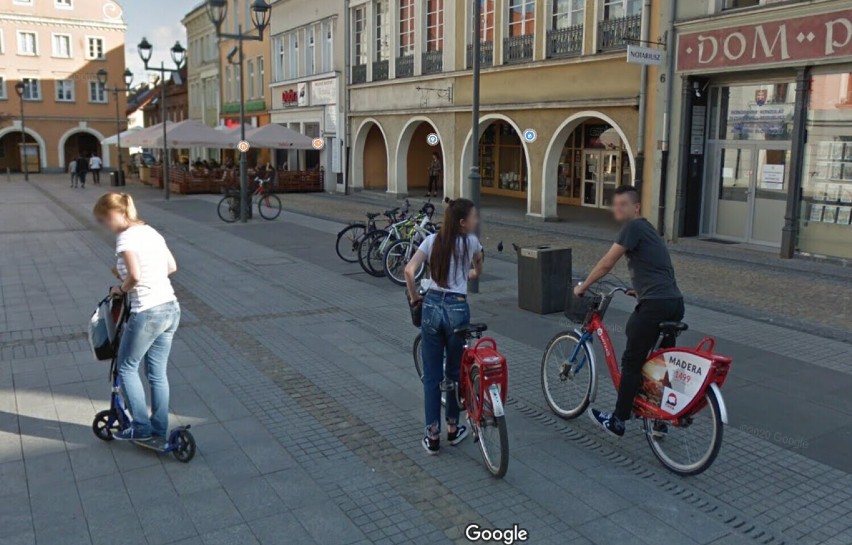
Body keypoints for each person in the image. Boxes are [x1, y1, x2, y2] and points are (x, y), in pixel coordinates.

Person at [574, 185, 683, 437]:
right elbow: (658, 266)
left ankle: (618, 420)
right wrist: (640, 289)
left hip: (655, 305)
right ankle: (659, 420)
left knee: (631, 361)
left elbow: (607, 263)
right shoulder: (649, 230)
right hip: (673, 302)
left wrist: (583, 286)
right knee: (660, 364)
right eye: (616, 204)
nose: (618, 208)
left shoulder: (632, 227)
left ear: (636, 208)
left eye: (624, 204)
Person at [93, 193, 180, 446]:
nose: (105, 226)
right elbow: (171, 266)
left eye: (103, 220)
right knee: (157, 373)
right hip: (171, 307)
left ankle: (141, 427)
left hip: (148, 311)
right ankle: (159, 428)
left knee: (126, 367)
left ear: (114, 214)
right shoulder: (150, 231)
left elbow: (134, 275)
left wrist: (120, 289)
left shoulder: (125, 238)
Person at [404, 198, 484, 455]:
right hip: (457, 309)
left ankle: (432, 436)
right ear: (462, 222)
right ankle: (453, 427)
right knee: (454, 373)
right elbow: (477, 268)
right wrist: (472, 272)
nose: (476, 221)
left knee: (432, 376)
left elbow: (409, 270)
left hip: (432, 306)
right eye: (473, 217)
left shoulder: (431, 241)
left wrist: (415, 297)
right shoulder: (471, 242)